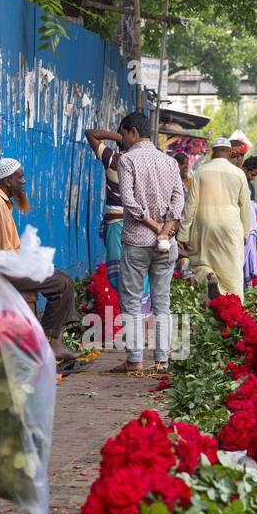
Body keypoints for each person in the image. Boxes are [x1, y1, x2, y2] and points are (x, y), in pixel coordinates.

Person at [0, 158, 78, 359]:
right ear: (7, 181)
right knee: (63, 283)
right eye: (20, 177)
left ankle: (46, 341)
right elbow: (3, 253)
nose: (23, 181)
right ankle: (52, 343)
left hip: (1, 266)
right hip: (0, 272)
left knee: (57, 278)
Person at [115, 111, 184, 375]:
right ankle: (162, 360)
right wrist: (166, 229)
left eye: (123, 134)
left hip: (137, 242)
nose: (122, 140)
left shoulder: (127, 160)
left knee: (132, 302)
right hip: (166, 245)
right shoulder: (169, 162)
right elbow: (178, 200)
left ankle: (134, 360)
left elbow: (129, 202)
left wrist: (155, 226)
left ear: (133, 132)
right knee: (162, 302)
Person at [179, 136, 252, 299]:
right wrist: (246, 233)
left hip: (204, 225)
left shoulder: (199, 172)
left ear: (213, 151)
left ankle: (209, 276)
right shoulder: (239, 174)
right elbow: (245, 207)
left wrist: (183, 233)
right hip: (230, 226)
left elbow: (190, 205)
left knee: (200, 263)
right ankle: (232, 307)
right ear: (229, 152)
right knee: (231, 270)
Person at [83, 117, 132, 293]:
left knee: (117, 274)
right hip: (141, 224)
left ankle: (119, 312)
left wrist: (119, 136)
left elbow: (90, 134)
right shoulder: (146, 161)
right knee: (137, 273)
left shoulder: (113, 159)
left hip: (116, 224)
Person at [242, 156, 257, 286]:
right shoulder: (240, 181)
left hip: (250, 230)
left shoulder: (246, 184)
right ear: (245, 169)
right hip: (245, 230)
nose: (253, 178)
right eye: (252, 174)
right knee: (241, 266)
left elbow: (249, 204)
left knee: (246, 267)